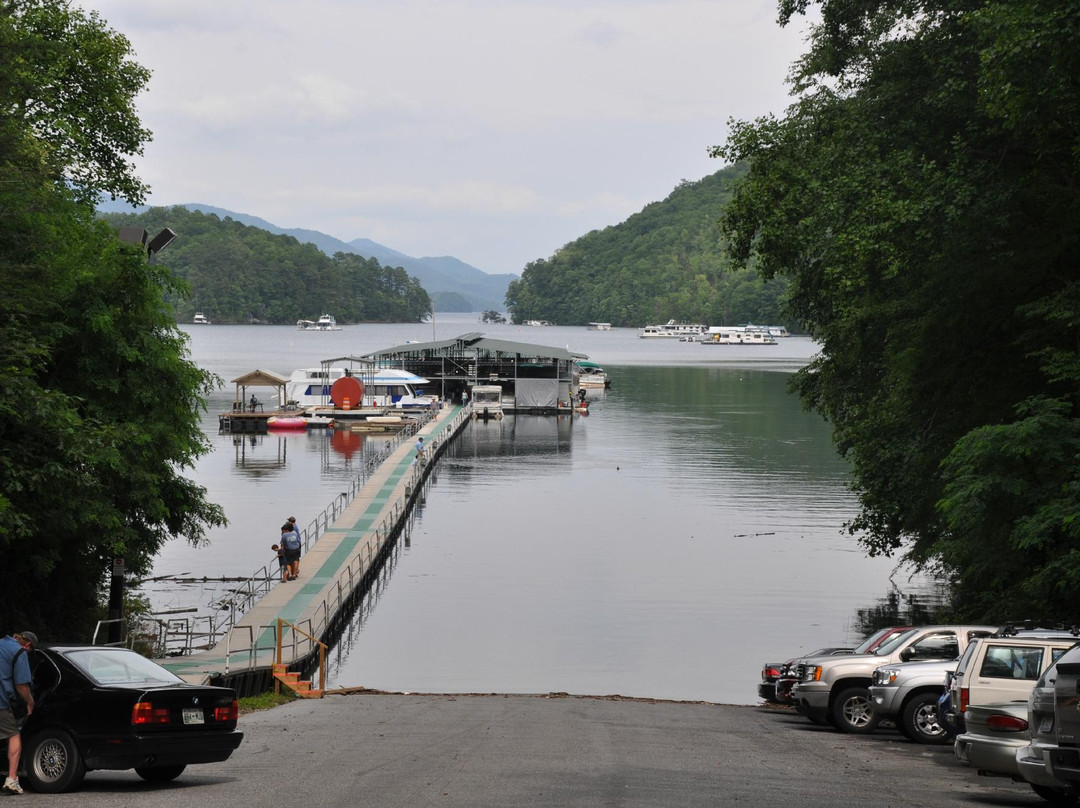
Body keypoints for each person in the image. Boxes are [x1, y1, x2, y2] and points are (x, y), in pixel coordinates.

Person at [1, 631, 37, 796]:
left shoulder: (2, 644)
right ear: (28, 644)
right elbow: (21, 685)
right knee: (14, 736)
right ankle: (12, 780)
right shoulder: (20, 652)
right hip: (1, 703)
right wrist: (30, 702)